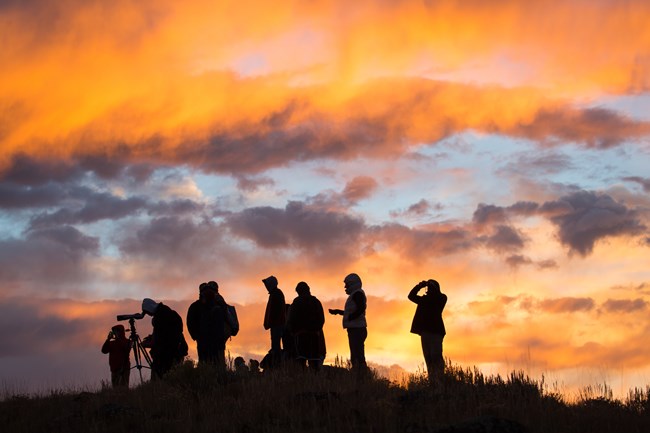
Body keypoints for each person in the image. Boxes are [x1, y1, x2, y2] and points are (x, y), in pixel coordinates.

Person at [408, 279, 447, 378]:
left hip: (436, 332)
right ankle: (433, 381)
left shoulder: (441, 298)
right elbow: (410, 296)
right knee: (428, 358)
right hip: (425, 333)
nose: (429, 289)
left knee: (436, 357)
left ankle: (440, 379)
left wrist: (427, 285)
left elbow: (436, 297)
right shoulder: (424, 300)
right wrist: (419, 286)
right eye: (428, 287)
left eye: (431, 287)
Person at [328, 273, 368, 371]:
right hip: (356, 329)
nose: (345, 287)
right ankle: (359, 375)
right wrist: (338, 312)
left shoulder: (357, 294)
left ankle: (361, 376)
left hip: (357, 329)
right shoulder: (356, 294)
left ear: (352, 284)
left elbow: (360, 309)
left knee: (357, 355)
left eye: (347, 284)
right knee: (356, 354)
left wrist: (350, 317)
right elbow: (354, 311)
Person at [142, 298, 188, 378]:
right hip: (178, 351)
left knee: (162, 378)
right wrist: (152, 337)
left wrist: (149, 343)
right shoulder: (170, 313)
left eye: (148, 312)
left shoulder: (160, 318)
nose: (149, 315)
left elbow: (161, 340)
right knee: (174, 377)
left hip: (166, 357)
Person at [287, 281, 326, 371]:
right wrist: (317, 330)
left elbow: (290, 319)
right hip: (314, 336)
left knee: (301, 361)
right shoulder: (316, 302)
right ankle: (314, 381)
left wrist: (292, 331)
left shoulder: (296, 302)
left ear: (299, 291)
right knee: (314, 362)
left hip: (300, 336)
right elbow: (321, 319)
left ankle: (302, 380)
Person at [186, 282, 227, 367]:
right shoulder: (219, 304)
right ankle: (218, 378)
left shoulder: (196, 306)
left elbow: (190, 323)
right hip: (216, 341)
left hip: (206, 342)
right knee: (218, 364)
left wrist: (196, 336)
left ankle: (208, 378)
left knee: (206, 364)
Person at [262, 275, 286, 363]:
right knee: (275, 346)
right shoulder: (275, 293)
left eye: (267, 285)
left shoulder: (276, 294)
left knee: (276, 346)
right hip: (276, 324)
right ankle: (276, 364)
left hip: (277, 325)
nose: (266, 287)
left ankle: (277, 364)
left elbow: (275, 311)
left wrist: (271, 322)